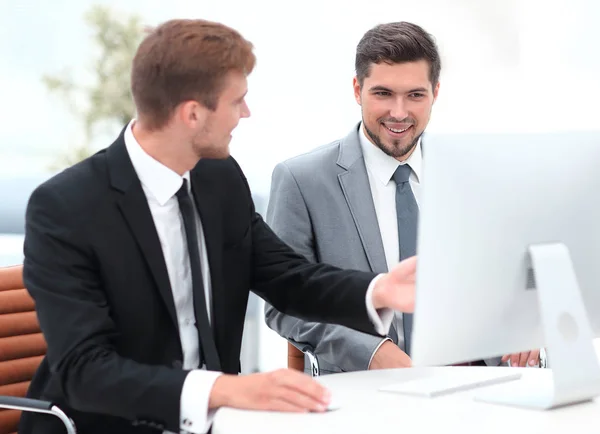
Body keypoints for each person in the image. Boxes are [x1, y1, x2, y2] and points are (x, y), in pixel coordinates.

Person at [20, 19, 417, 434]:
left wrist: (379, 290)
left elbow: (287, 277)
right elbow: (86, 372)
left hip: (222, 423)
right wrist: (224, 391)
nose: (246, 113)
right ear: (193, 114)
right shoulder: (65, 209)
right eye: (237, 101)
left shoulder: (219, 179)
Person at [265, 21, 540, 374]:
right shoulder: (301, 180)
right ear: (356, 89)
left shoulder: (475, 175)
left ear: (435, 93)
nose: (399, 112)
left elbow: (508, 278)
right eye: (382, 94)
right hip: (363, 390)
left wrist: (526, 324)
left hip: (473, 383)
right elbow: (282, 303)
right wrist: (372, 351)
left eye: (415, 95)